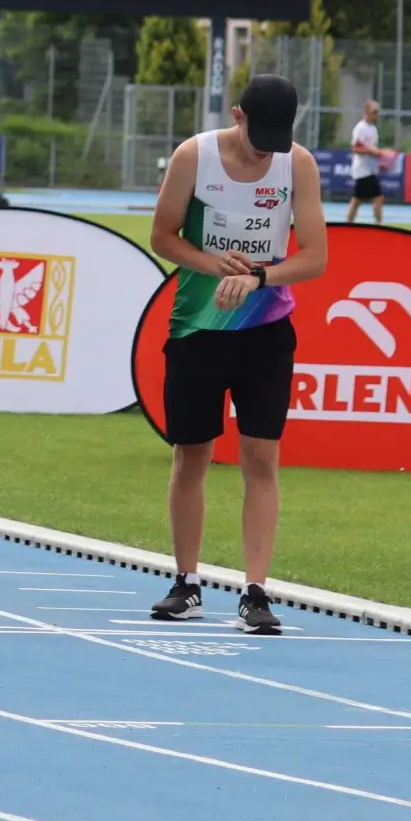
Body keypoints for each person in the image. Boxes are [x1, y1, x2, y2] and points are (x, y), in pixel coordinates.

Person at [146, 74, 329, 634]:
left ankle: (256, 590)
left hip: (266, 327)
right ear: (237, 115)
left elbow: (316, 257)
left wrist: (258, 276)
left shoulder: (296, 164)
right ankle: (186, 581)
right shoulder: (193, 156)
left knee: (261, 456)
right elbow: (163, 237)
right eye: (256, 134)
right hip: (198, 326)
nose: (263, 149)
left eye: (277, 138)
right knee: (192, 455)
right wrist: (214, 265)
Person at [344, 99, 388, 225]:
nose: (377, 114)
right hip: (363, 170)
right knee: (378, 197)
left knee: (357, 199)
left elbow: (370, 147)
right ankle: (379, 224)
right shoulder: (360, 128)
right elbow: (356, 148)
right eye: (374, 111)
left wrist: (379, 155)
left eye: (378, 112)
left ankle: (348, 223)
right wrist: (373, 152)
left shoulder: (373, 129)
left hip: (369, 168)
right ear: (367, 112)